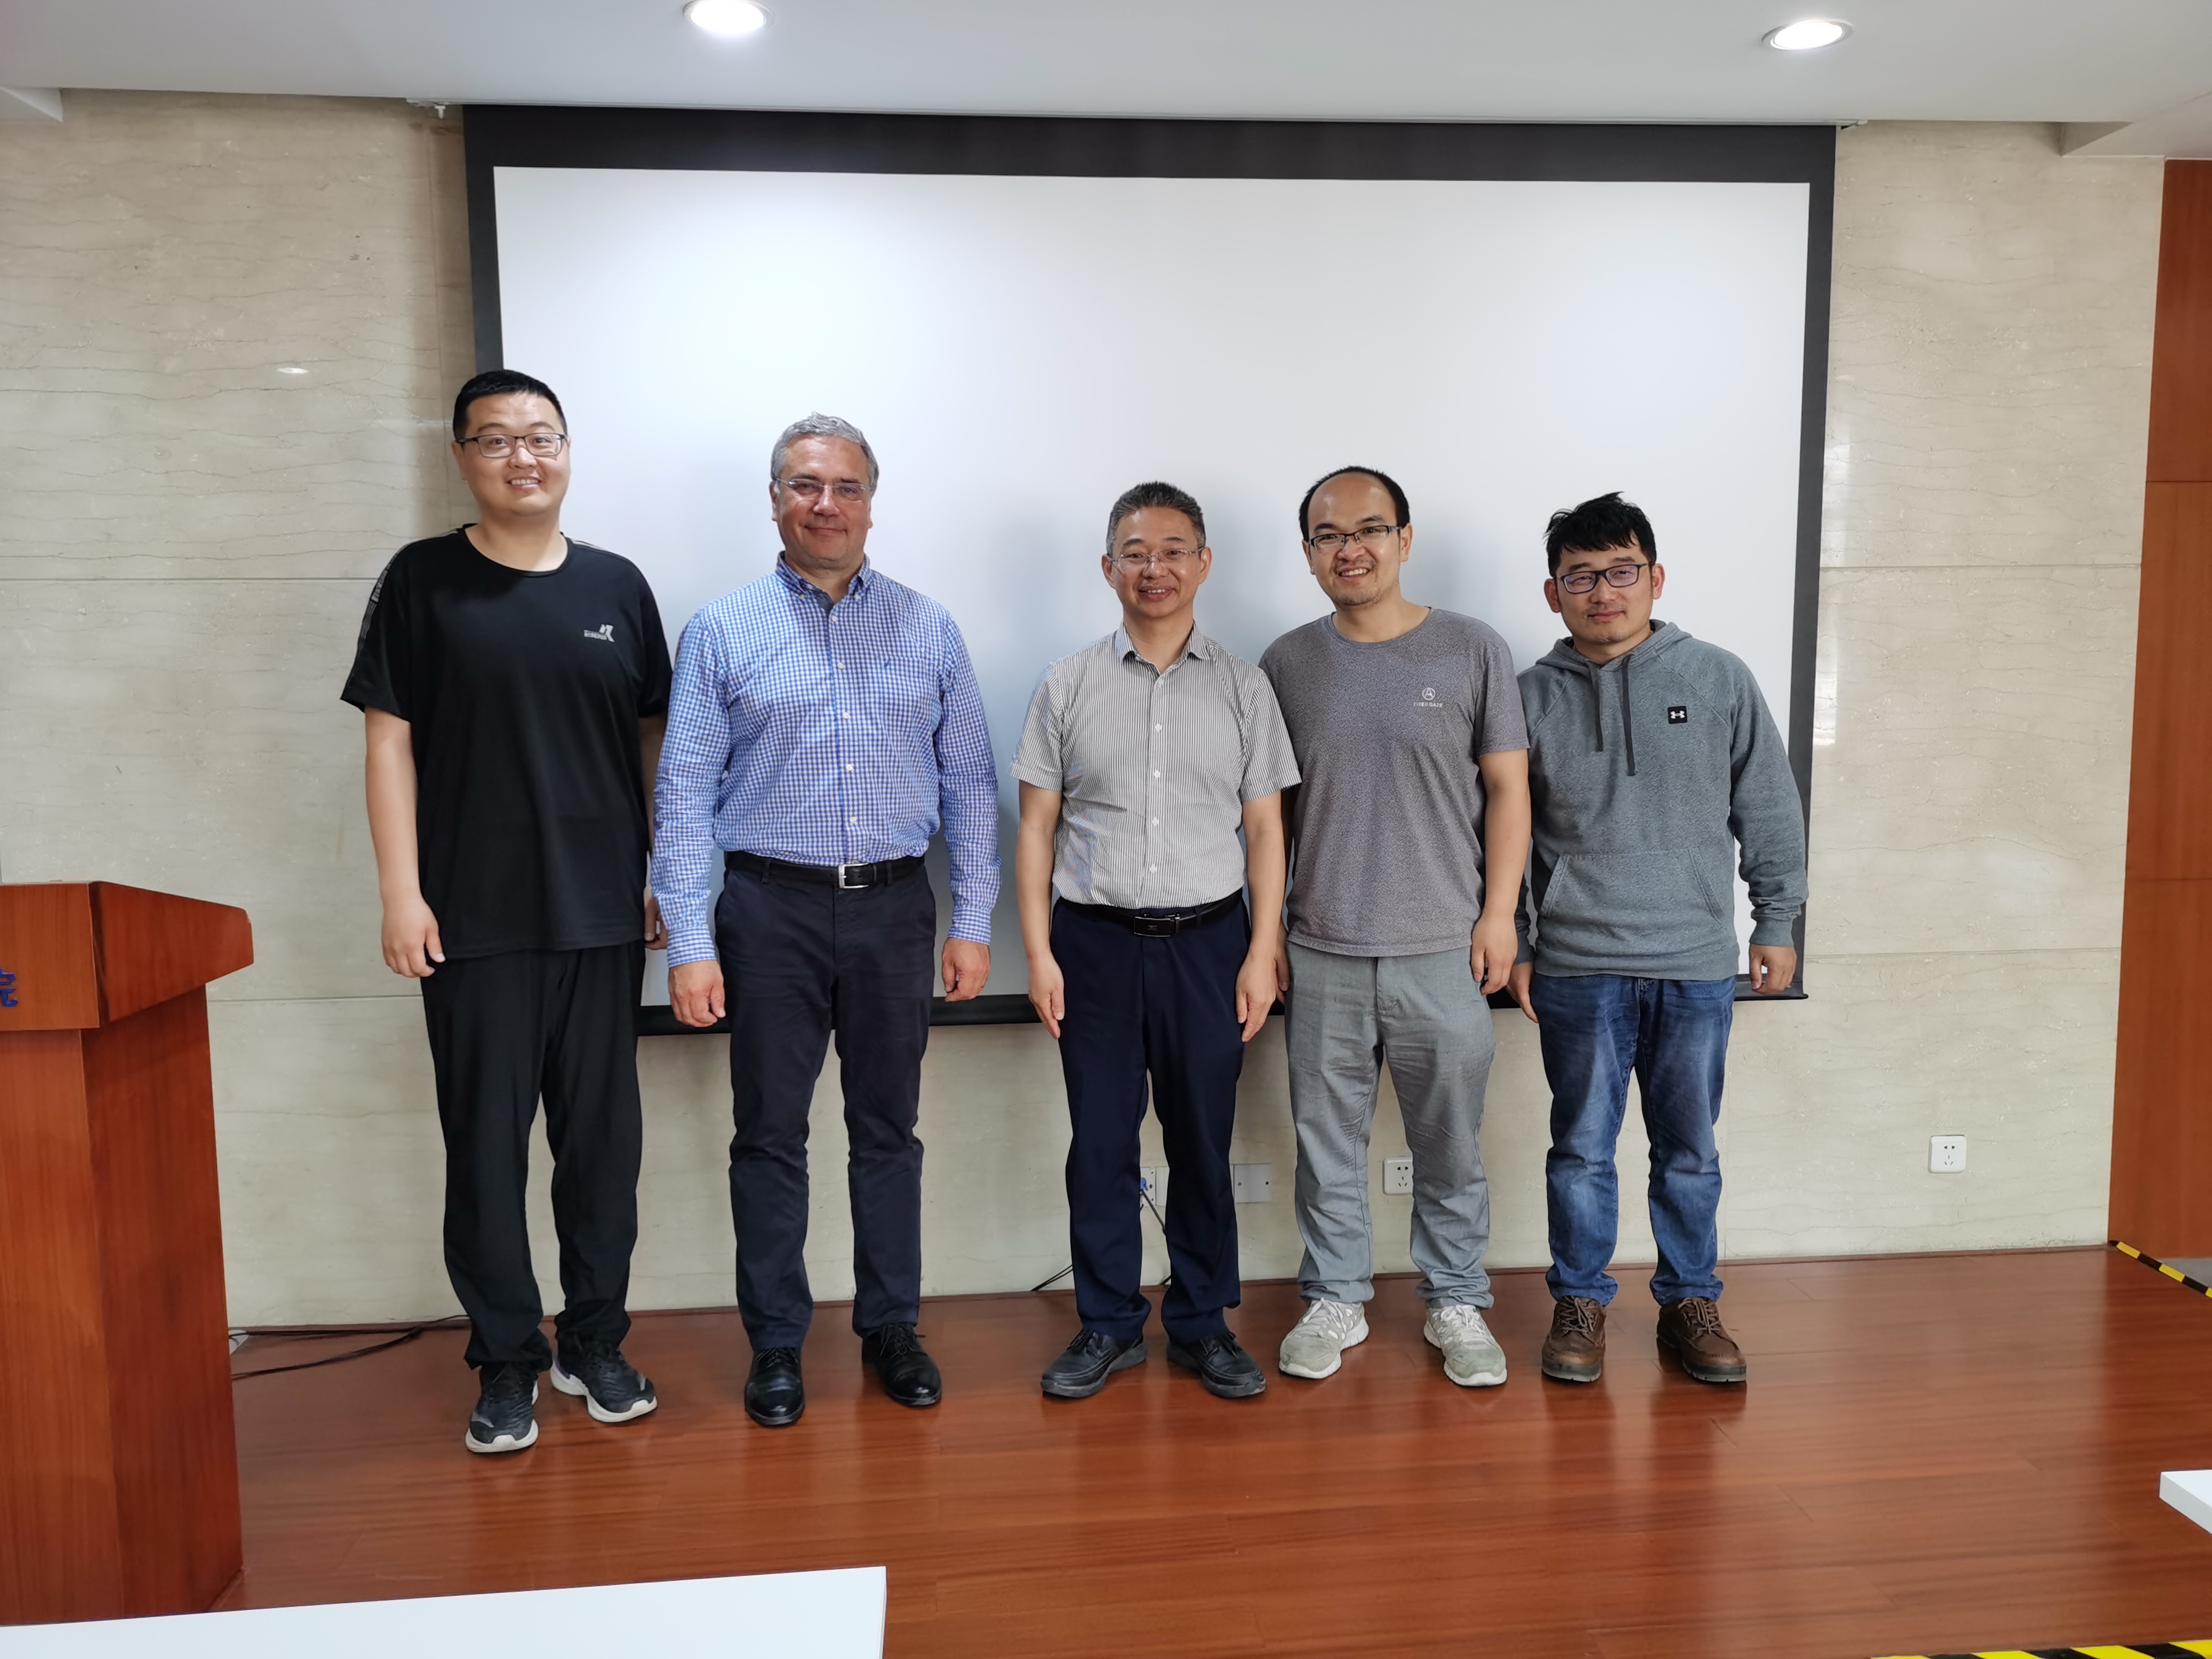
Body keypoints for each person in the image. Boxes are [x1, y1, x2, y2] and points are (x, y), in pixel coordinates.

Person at [343, 368, 671, 1455]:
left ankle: (594, 1342)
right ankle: (508, 1359)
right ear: (461, 458)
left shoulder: (619, 587)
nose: (522, 456)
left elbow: (652, 740)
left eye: (542, 436)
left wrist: (662, 872)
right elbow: (387, 742)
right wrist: (400, 892)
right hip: (471, 920)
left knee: (602, 1151)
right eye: (496, 439)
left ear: (569, 452)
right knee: (486, 1152)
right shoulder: (422, 580)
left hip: (602, 916)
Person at [653, 414, 998, 1428]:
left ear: (871, 505)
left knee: (888, 1131)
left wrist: (973, 921)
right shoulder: (722, 630)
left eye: (846, 487)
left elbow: (971, 787)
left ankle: (892, 1327)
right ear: (775, 500)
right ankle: (775, 1345)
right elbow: (683, 794)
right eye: (806, 485)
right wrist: (690, 942)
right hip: (769, 912)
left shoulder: (929, 629)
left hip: (894, 908)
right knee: (768, 1135)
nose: (826, 504)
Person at [1507, 491, 1806, 1386]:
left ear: (1655, 577)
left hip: (1694, 961)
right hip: (1576, 964)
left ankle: (1689, 1303)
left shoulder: (1718, 678)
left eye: (1622, 571)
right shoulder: (1527, 697)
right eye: (1581, 577)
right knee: (1580, 1151)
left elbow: (1768, 805)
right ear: (1553, 592)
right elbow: (1503, 835)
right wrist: (1519, 940)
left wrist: (1777, 918)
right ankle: (1580, 1303)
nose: (1604, 592)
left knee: (1689, 1150)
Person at [1016, 481, 1297, 1401]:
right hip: (1093, 944)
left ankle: (1203, 1322)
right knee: (1100, 1142)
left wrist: (1261, 950)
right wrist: (1039, 953)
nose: (1155, 568)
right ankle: (1107, 1322)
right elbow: (1037, 827)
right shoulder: (1067, 683)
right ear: (1109, 568)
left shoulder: (1245, 686)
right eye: (1135, 552)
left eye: (1174, 551)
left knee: (1202, 1142)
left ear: (1203, 564)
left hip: (1208, 944)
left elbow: (1266, 830)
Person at [1259, 467, 1531, 1389]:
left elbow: (1508, 790)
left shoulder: (1472, 648)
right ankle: (1336, 1296)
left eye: (1370, 529)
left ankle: (1456, 1300)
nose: (1352, 549)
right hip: (1322, 945)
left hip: (1444, 946)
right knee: (1325, 1143)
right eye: (1329, 536)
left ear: (1405, 539)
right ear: (1309, 554)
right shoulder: (1286, 663)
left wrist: (1500, 916)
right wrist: (1269, 935)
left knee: (1448, 1144)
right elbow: (1269, 818)